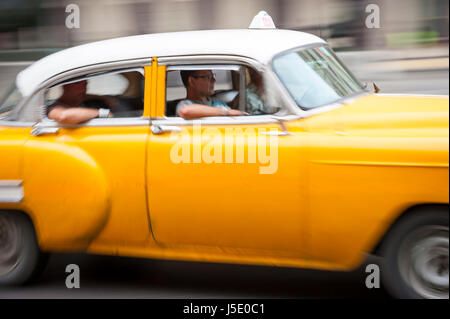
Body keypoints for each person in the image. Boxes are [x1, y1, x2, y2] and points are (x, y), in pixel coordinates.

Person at [176, 70, 246, 119]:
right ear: (192, 81)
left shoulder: (217, 102)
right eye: (208, 77)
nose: (214, 80)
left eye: (213, 76)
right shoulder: (185, 104)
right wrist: (225, 112)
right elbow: (185, 111)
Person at [47, 80, 118, 124]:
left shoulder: (79, 99)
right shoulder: (54, 108)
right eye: (78, 84)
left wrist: (105, 98)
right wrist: (103, 113)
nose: (83, 88)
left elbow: (86, 96)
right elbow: (63, 116)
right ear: (65, 86)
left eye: (85, 84)